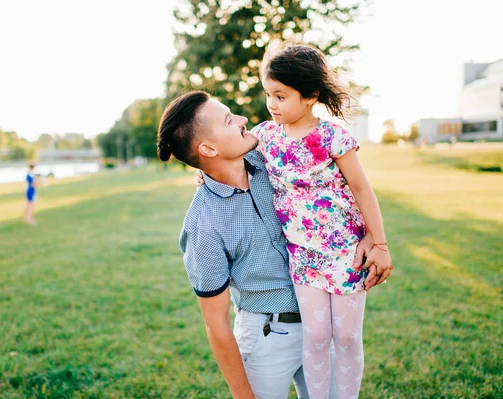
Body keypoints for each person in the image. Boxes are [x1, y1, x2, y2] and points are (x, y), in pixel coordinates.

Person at [157, 91, 392, 399]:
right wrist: (244, 395)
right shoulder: (202, 226)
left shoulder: (273, 156)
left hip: (322, 320)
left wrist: (369, 234)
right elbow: (217, 326)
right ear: (208, 148)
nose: (243, 120)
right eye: (230, 120)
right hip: (267, 339)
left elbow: (344, 185)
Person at [240, 42, 393, 399]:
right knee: (318, 335)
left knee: (347, 336)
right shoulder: (264, 135)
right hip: (303, 256)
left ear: (310, 95)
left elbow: (361, 189)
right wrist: (204, 176)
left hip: (347, 252)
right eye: (268, 95)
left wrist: (381, 243)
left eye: (281, 95)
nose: (272, 104)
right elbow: (230, 156)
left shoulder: (333, 136)